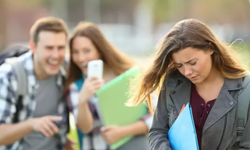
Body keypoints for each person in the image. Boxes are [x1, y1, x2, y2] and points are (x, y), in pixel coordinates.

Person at [128, 19, 250, 150]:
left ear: (210, 48)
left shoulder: (245, 90)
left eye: (192, 63)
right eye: (179, 65)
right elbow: (157, 131)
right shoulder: (172, 82)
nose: (187, 72)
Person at [64, 22, 152, 150]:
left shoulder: (127, 76)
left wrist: (122, 132)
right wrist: (82, 100)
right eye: (75, 52)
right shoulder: (75, 86)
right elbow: (85, 127)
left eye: (86, 51)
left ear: (100, 50)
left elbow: (153, 118)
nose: (81, 58)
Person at [0, 17, 71, 150]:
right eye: (49, 48)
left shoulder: (66, 71)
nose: (56, 55)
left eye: (60, 48)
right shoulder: (9, 75)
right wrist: (31, 125)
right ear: (33, 47)